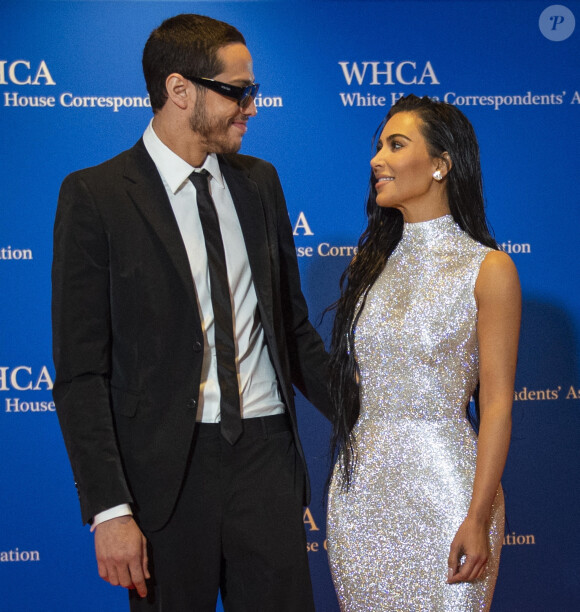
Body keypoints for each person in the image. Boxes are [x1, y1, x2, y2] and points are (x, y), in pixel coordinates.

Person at [52, 13, 329, 612]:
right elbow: (80, 375)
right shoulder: (95, 196)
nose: (251, 106)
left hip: (266, 458)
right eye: (238, 91)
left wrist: (380, 414)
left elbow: (291, 329)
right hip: (164, 481)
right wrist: (109, 510)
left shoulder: (261, 182)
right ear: (180, 90)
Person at [325, 94, 520, 610]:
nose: (376, 159)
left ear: (440, 165)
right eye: (379, 146)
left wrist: (477, 517)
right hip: (359, 498)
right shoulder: (370, 267)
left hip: (447, 494)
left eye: (396, 144)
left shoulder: (489, 269)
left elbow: (497, 403)